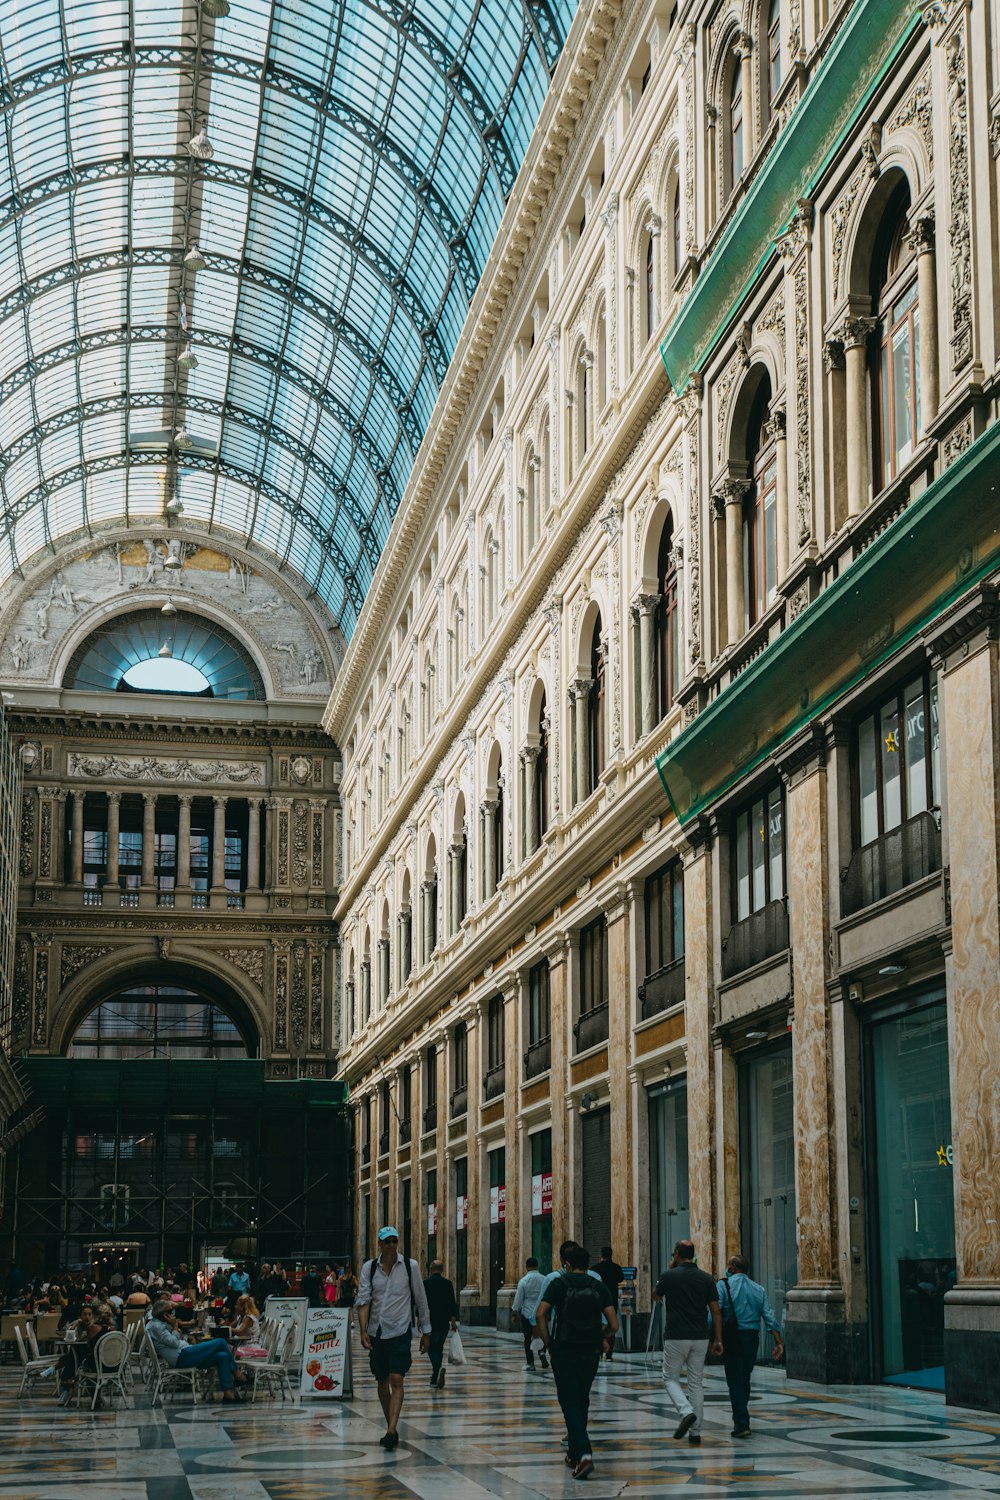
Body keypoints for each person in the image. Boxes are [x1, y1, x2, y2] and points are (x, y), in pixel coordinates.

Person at [536, 1245, 618, 1482]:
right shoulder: (597, 1286)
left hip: (564, 1349)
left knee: (569, 1401)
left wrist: (549, 1342)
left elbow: (541, 1314)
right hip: (591, 1350)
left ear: (567, 1264)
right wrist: (601, 1335)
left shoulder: (559, 1283)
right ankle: (574, 1453)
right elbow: (614, 1325)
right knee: (581, 1398)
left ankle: (584, 1454)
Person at [356, 1226, 432, 1449]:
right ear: (379, 1243)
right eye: (387, 1241)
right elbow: (363, 1300)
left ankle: (391, 1431)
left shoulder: (410, 1266)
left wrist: (425, 1331)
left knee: (397, 1379)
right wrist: (362, 1330)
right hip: (377, 1332)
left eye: (394, 1241)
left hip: (400, 1331)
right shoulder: (369, 1268)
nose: (391, 1245)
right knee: (382, 1381)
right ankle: (391, 1424)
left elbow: (420, 1298)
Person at [653, 1240, 723, 1448]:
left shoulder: (669, 1276)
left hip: (676, 1335)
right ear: (693, 1255)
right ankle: (695, 1432)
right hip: (700, 1336)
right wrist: (718, 1338)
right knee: (696, 1382)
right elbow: (716, 1310)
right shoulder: (706, 1278)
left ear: (676, 1254)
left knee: (670, 1378)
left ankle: (686, 1412)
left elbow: (655, 1297)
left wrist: (668, 1271)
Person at [717, 1254, 784, 1438]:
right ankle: (742, 1415)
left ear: (731, 1268)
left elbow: (715, 1313)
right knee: (744, 1377)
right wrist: (778, 1341)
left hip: (732, 1338)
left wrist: (714, 1337)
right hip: (752, 1339)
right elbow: (769, 1316)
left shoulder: (724, 1285)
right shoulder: (759, 1289)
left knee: (734, 1380)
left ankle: (741, 1422)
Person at [146, 1300, 239, 1402]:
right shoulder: (157, 1326)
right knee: (221, 1342)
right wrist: (175, 1327)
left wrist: (174, 1328)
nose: (173, 1313)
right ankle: (238, 1374)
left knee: (222, 1356)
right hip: (182, 1356)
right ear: (164, 1314)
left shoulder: (158, 1324)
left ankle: (228, 1394)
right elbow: (174, 1342)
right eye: (170, 1311)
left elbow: (178, 1338)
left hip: (185, 1353)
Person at [422, 1260, 458, 1389]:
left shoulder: (425, 1284)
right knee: (439, 1347)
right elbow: (452, 1304)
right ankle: (435, 1376)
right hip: (444, 1323)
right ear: (442, 1270)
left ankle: (437, 1370)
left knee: (431, 1348)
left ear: (430, 1269)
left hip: (430, 1322)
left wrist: (419, 1320)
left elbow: (422, 1303)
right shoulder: (448, 1284)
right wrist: (453, 1321)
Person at [512, 1256, 548, 1371]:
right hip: (541, 1312)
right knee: (542, 1334)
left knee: (528, 1337)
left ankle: (530, 1362)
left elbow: (518, 1298)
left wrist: (514, 1312)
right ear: (537, 1266)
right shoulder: (544, 1279)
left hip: (527, 1312)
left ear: (526, 1267)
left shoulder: (523, 1281)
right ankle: (542, 1353)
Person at [591, 1246, 623, 1361]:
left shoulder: (595, 1268)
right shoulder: (616, 1268)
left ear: (601, 1255)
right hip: (612, 1301)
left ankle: (599, 1351)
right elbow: (620, 1279)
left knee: (598, 1324)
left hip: (597, 1301)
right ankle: (609, 1354)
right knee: (611, 1324)